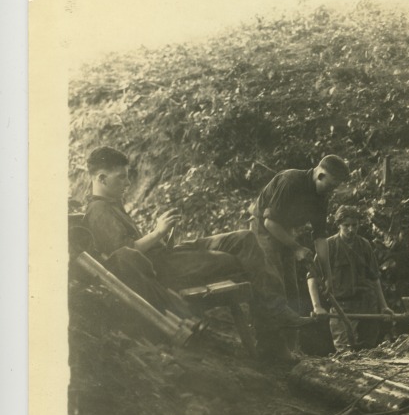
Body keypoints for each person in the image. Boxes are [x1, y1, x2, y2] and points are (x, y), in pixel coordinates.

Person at [83, 146, 309, 335]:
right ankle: (275, 323)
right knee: (237, 260)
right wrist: (157, 233)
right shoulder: (98, 210)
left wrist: (163, 234)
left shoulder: (112, 203)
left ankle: (277, 311)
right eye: (121, 177)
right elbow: (125, 255)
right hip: (162, 268)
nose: (127, 183)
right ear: (101, 178)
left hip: (167, 256)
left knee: (244, 238)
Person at [249, 155, 353, 313]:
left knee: (290, 284)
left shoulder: (321, 198)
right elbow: (269, 223)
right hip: (263, 228)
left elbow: (320, 238)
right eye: (331, 186)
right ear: (321, 175)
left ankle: (293, 323)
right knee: (274, 279)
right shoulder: (290, 181)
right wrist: (297, 248)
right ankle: (273, 323)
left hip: (285, 229)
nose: (331, 191)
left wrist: (327, 275)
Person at [307, 205, 391, 350]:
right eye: (346, 225)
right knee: (344, 351)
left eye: (354, 225)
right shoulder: (329, 246)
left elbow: (374, 278)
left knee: (368, 351)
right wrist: (317, 306)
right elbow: (312, 277)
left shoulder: (364, 245)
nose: (351, 229)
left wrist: (384, 306)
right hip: (341, 307)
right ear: (338, 225)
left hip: (367, 306)